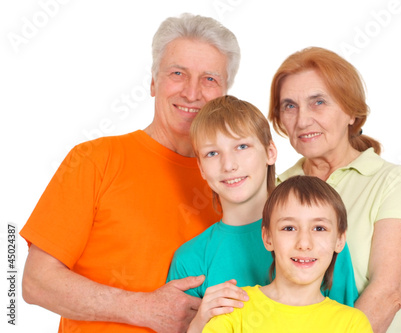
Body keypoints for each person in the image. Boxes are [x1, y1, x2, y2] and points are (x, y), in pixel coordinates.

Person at [20, 13, 240, 333]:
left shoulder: (236, 182)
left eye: (209, 79)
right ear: (153, 82)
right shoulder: (96, 160)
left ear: (225, 94)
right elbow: (35, 282)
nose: (192, 93)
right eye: (178, 73)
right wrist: (142, 308)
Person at [268, 46, 401, 333]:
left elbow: (387, 293)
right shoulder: (273, 190)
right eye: (289, 106)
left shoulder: (394, 181)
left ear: (350, 111)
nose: (303, 119)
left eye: (318, 102)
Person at [166, 95, 359, 332]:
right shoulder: (191, 259)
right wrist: (198, 324)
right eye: (212, 153)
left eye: (242, 146)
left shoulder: (319, 237)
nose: (229, 165)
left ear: (270, 152)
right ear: (201, 169)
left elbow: (342, 318)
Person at [202, 175, 373, 332]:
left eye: (319, 228)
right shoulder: (233, 310)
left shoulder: (352, 324)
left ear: (340, 240)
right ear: (268, 238)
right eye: (289, 228)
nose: (304, 243)